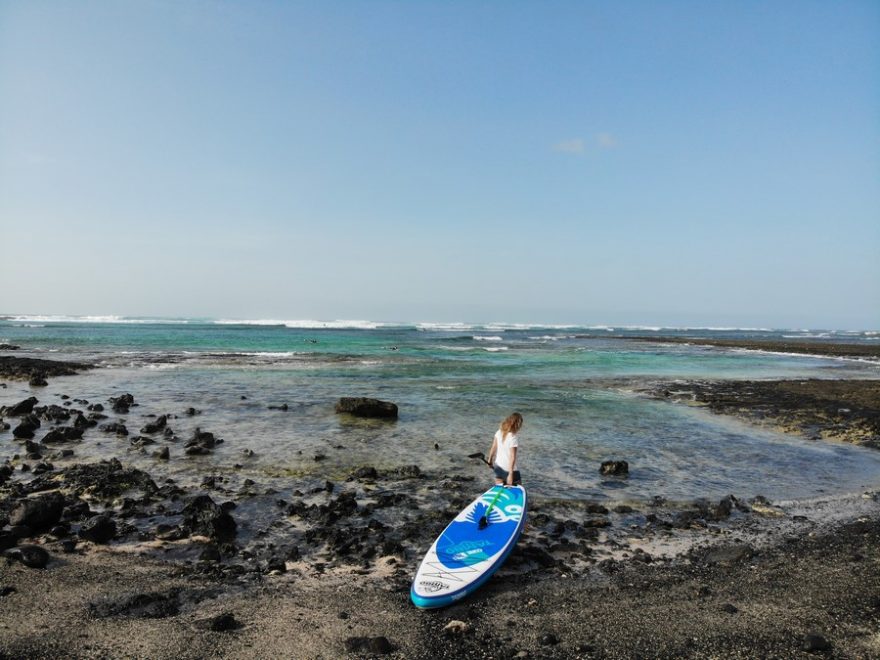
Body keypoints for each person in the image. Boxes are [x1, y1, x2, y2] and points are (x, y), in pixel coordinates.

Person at [487, 412, 522, 486]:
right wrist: (510, 474)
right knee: (519, 490)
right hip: (508, 470)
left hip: (498, 468)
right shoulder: (513, 437)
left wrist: (489, 460)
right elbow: (512, 457)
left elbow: (493, 447)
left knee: (499, 488)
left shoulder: (499, 432)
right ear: (517, 424)